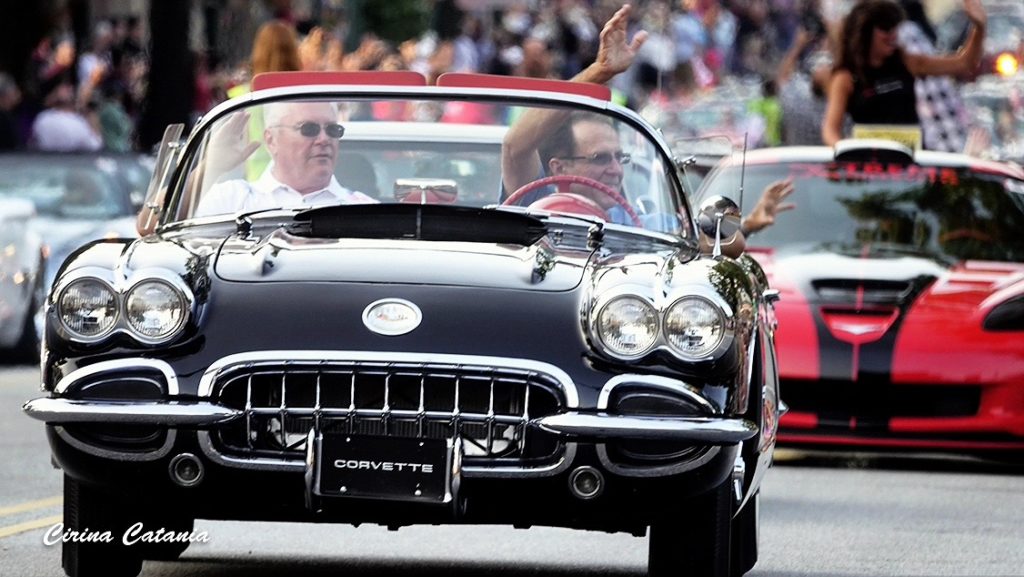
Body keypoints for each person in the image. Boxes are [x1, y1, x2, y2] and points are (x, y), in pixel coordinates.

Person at [502, 4, 785, 257]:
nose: (616, 169)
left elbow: (727, 244)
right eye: (600, 158)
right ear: (559, 168)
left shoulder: (635, 222)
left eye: (619, 157)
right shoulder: (534, 205)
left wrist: (738, 225)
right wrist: (598, 72)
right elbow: (515, 145)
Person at [136, 101, 375, 235]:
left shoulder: (363, 209)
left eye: (333, 130)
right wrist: (211, 166)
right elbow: (150, 227)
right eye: (309, 129)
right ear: (271, 140)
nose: (324, 139)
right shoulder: (232, 199)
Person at [821, 0, 987, 147]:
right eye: (885, 28)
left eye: (894, 28)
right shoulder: (846, 77)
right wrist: (848, 152)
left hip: (909, 161)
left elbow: (965, 63)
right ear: (865, 32)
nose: (892, 35)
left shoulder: (906, 62)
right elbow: (830, 130)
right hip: (870, 164)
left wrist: (978, 27)